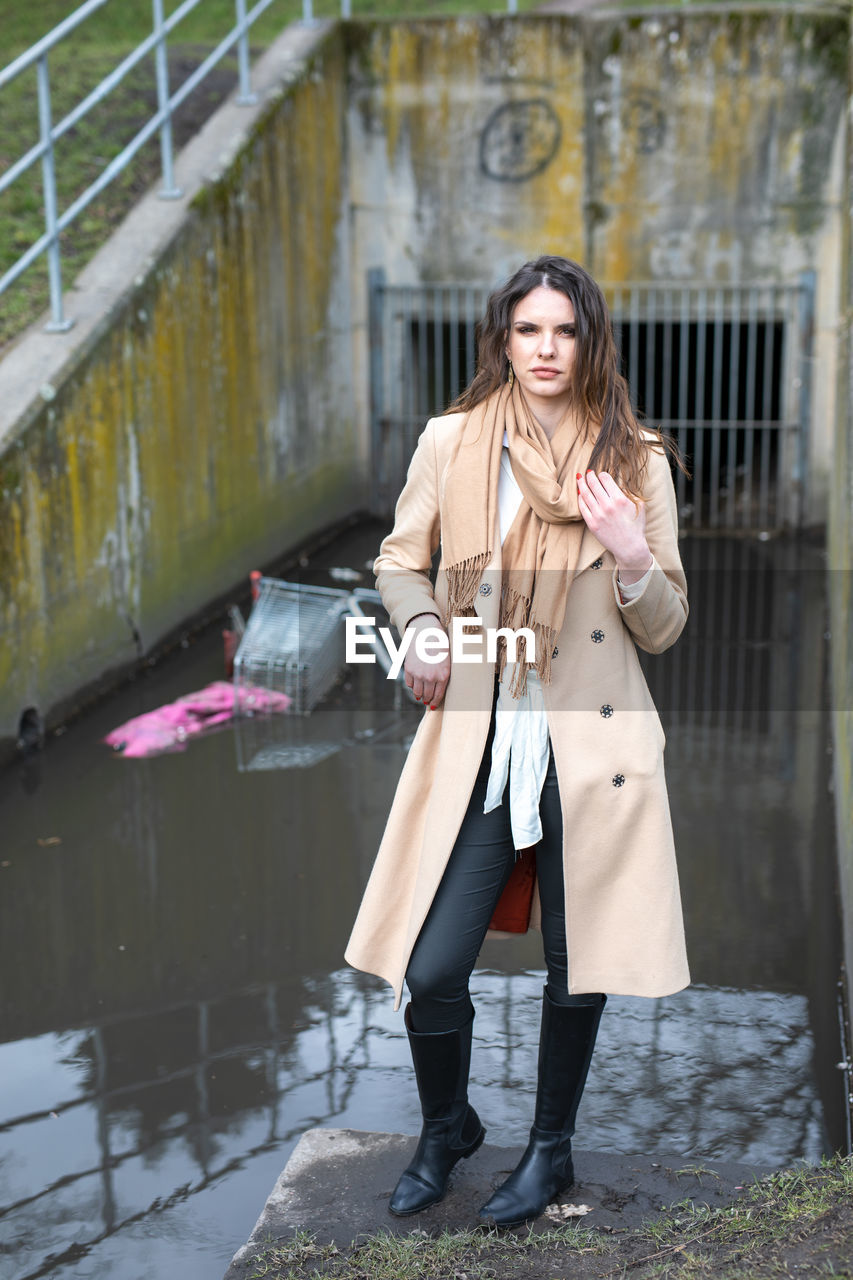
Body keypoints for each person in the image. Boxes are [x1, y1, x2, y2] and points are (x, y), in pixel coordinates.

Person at [344, 255, 690, 1227]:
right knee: (432, 965)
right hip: (483, 745)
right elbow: (399, 560)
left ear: (590, 342)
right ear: (503, 336)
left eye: (563, 330)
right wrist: (417, 626)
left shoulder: (636, 462)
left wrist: (629, 558)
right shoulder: (454, 444)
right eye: (527, 329)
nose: (545, 348)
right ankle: (446, 1125)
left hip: (593, 750)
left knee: (575, 966)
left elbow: (663, 625)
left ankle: (549, 1150)